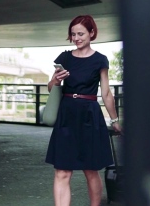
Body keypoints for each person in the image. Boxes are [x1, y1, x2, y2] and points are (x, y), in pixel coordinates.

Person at [45, 14, 122, 206]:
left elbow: (106, 93)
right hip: (66, 114)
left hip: (90, 115)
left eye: (81, 33)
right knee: (62, 171)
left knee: (91, 170)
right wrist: (56, 80)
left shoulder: (100, 60)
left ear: (92, 33)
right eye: (73, 34)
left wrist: (115, 121)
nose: (76, 38)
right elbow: (51, 87)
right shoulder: (64, 58)